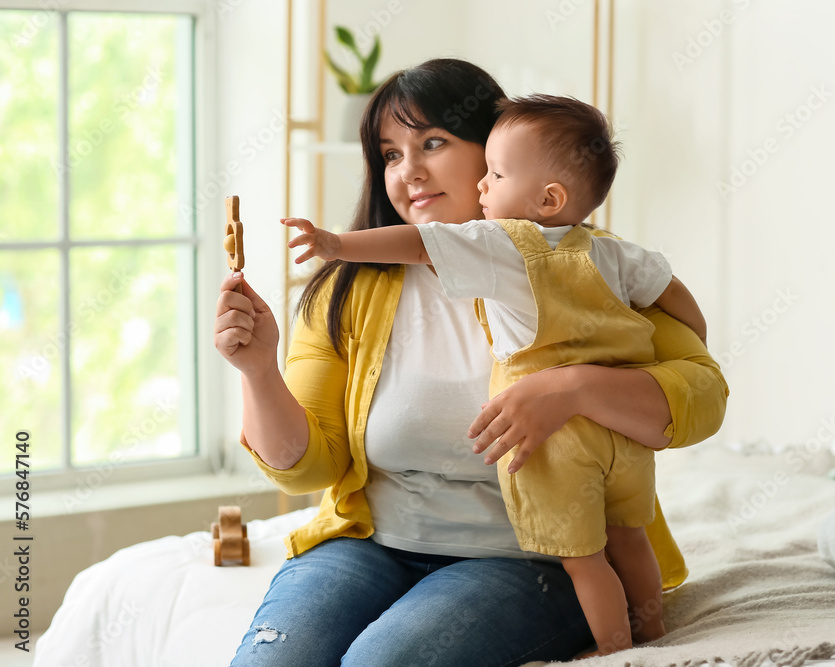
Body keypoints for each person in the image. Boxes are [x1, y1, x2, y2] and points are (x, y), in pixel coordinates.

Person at [216, 58, 728, 667]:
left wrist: (573, 389)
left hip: (530, 557)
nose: (410, 172)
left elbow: (702, 398)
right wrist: (257, 371)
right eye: (391, 155)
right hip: (371, 543)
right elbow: (306, 469)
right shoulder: (345, 292)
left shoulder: (589, 271)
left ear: (495, 146)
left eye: (433, 142)